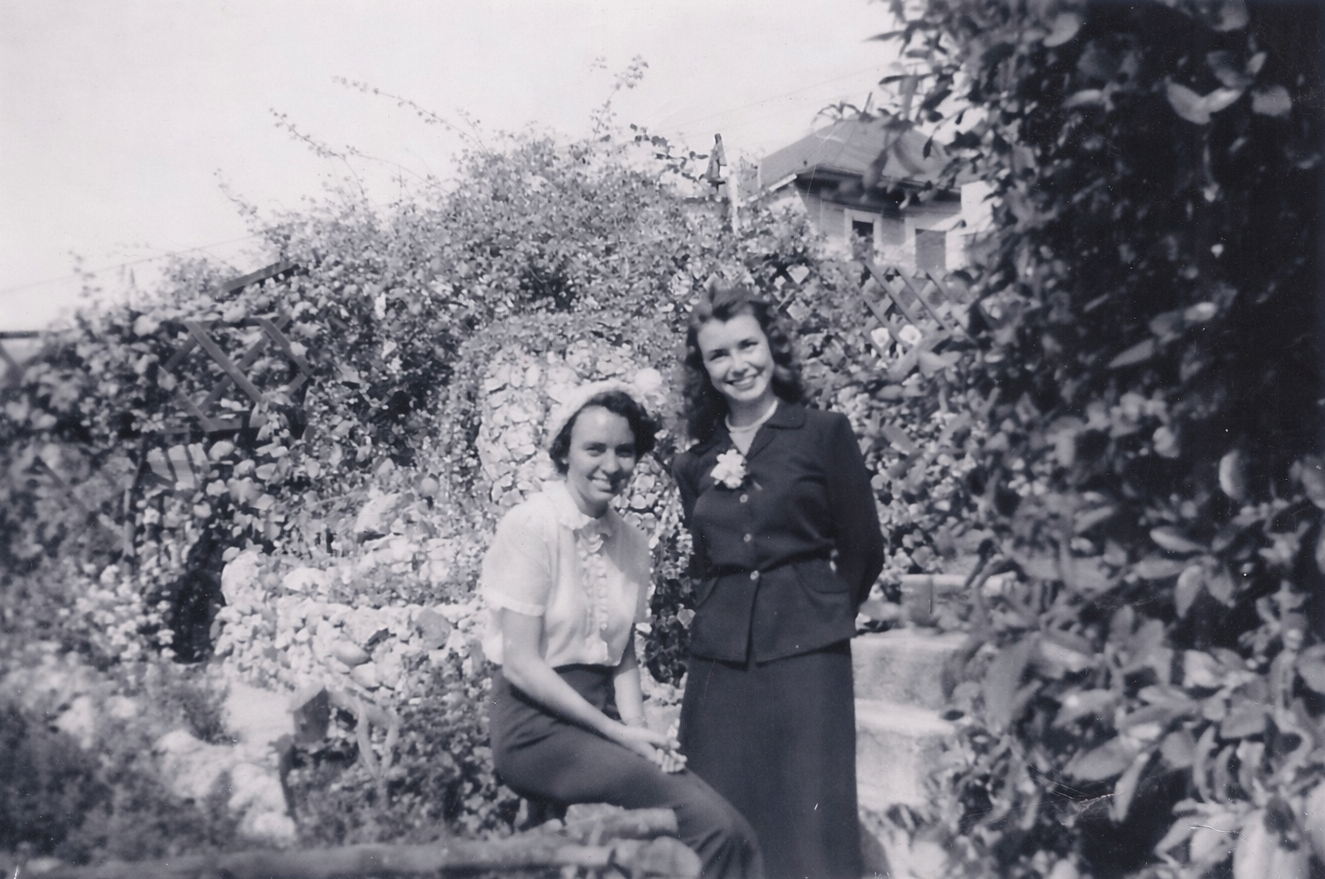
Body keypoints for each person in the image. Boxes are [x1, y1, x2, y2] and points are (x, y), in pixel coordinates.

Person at [482, 383, 765, 879]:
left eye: (625, 451)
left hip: (596, 725)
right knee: (709, 826)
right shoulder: (532, 526)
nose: (610, 466)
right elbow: (521, 664)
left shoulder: (631, 542)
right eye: (594, 448)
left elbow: (622, 656)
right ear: (564, 452)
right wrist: (617, 731)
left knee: (730, 823)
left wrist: (640, 733)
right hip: (534, 730)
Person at [671, 282, 885, 879]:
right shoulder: (693, 463)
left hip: (807, 651)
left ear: (772, 348)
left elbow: (864, 547)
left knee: (813, 810)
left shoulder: (822, 434)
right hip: (720, 661)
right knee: (724, 809)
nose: (737, 365)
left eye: (747, 346)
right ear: (704, 369)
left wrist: (822, 613)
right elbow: (706, 560)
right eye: (719, 355)